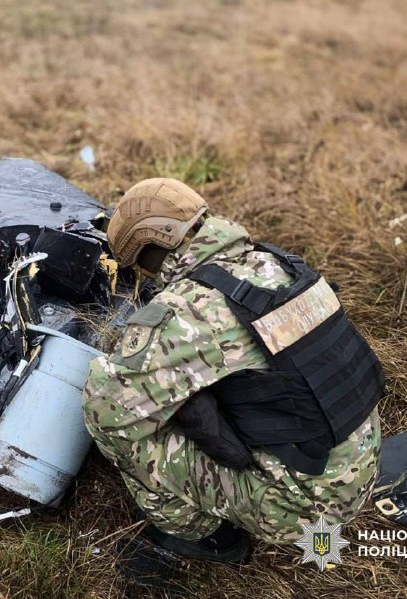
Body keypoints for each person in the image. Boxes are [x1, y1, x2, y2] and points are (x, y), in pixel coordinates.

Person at [82, 178, 384, 563]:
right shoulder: (279, 263)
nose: (146, 274)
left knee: (131, 434)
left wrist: (108, 363)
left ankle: (206, 537)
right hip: (360, 467)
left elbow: (107, 412)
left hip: (303, 508)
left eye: (141, 262)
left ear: (153, 247)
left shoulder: (189, 308)